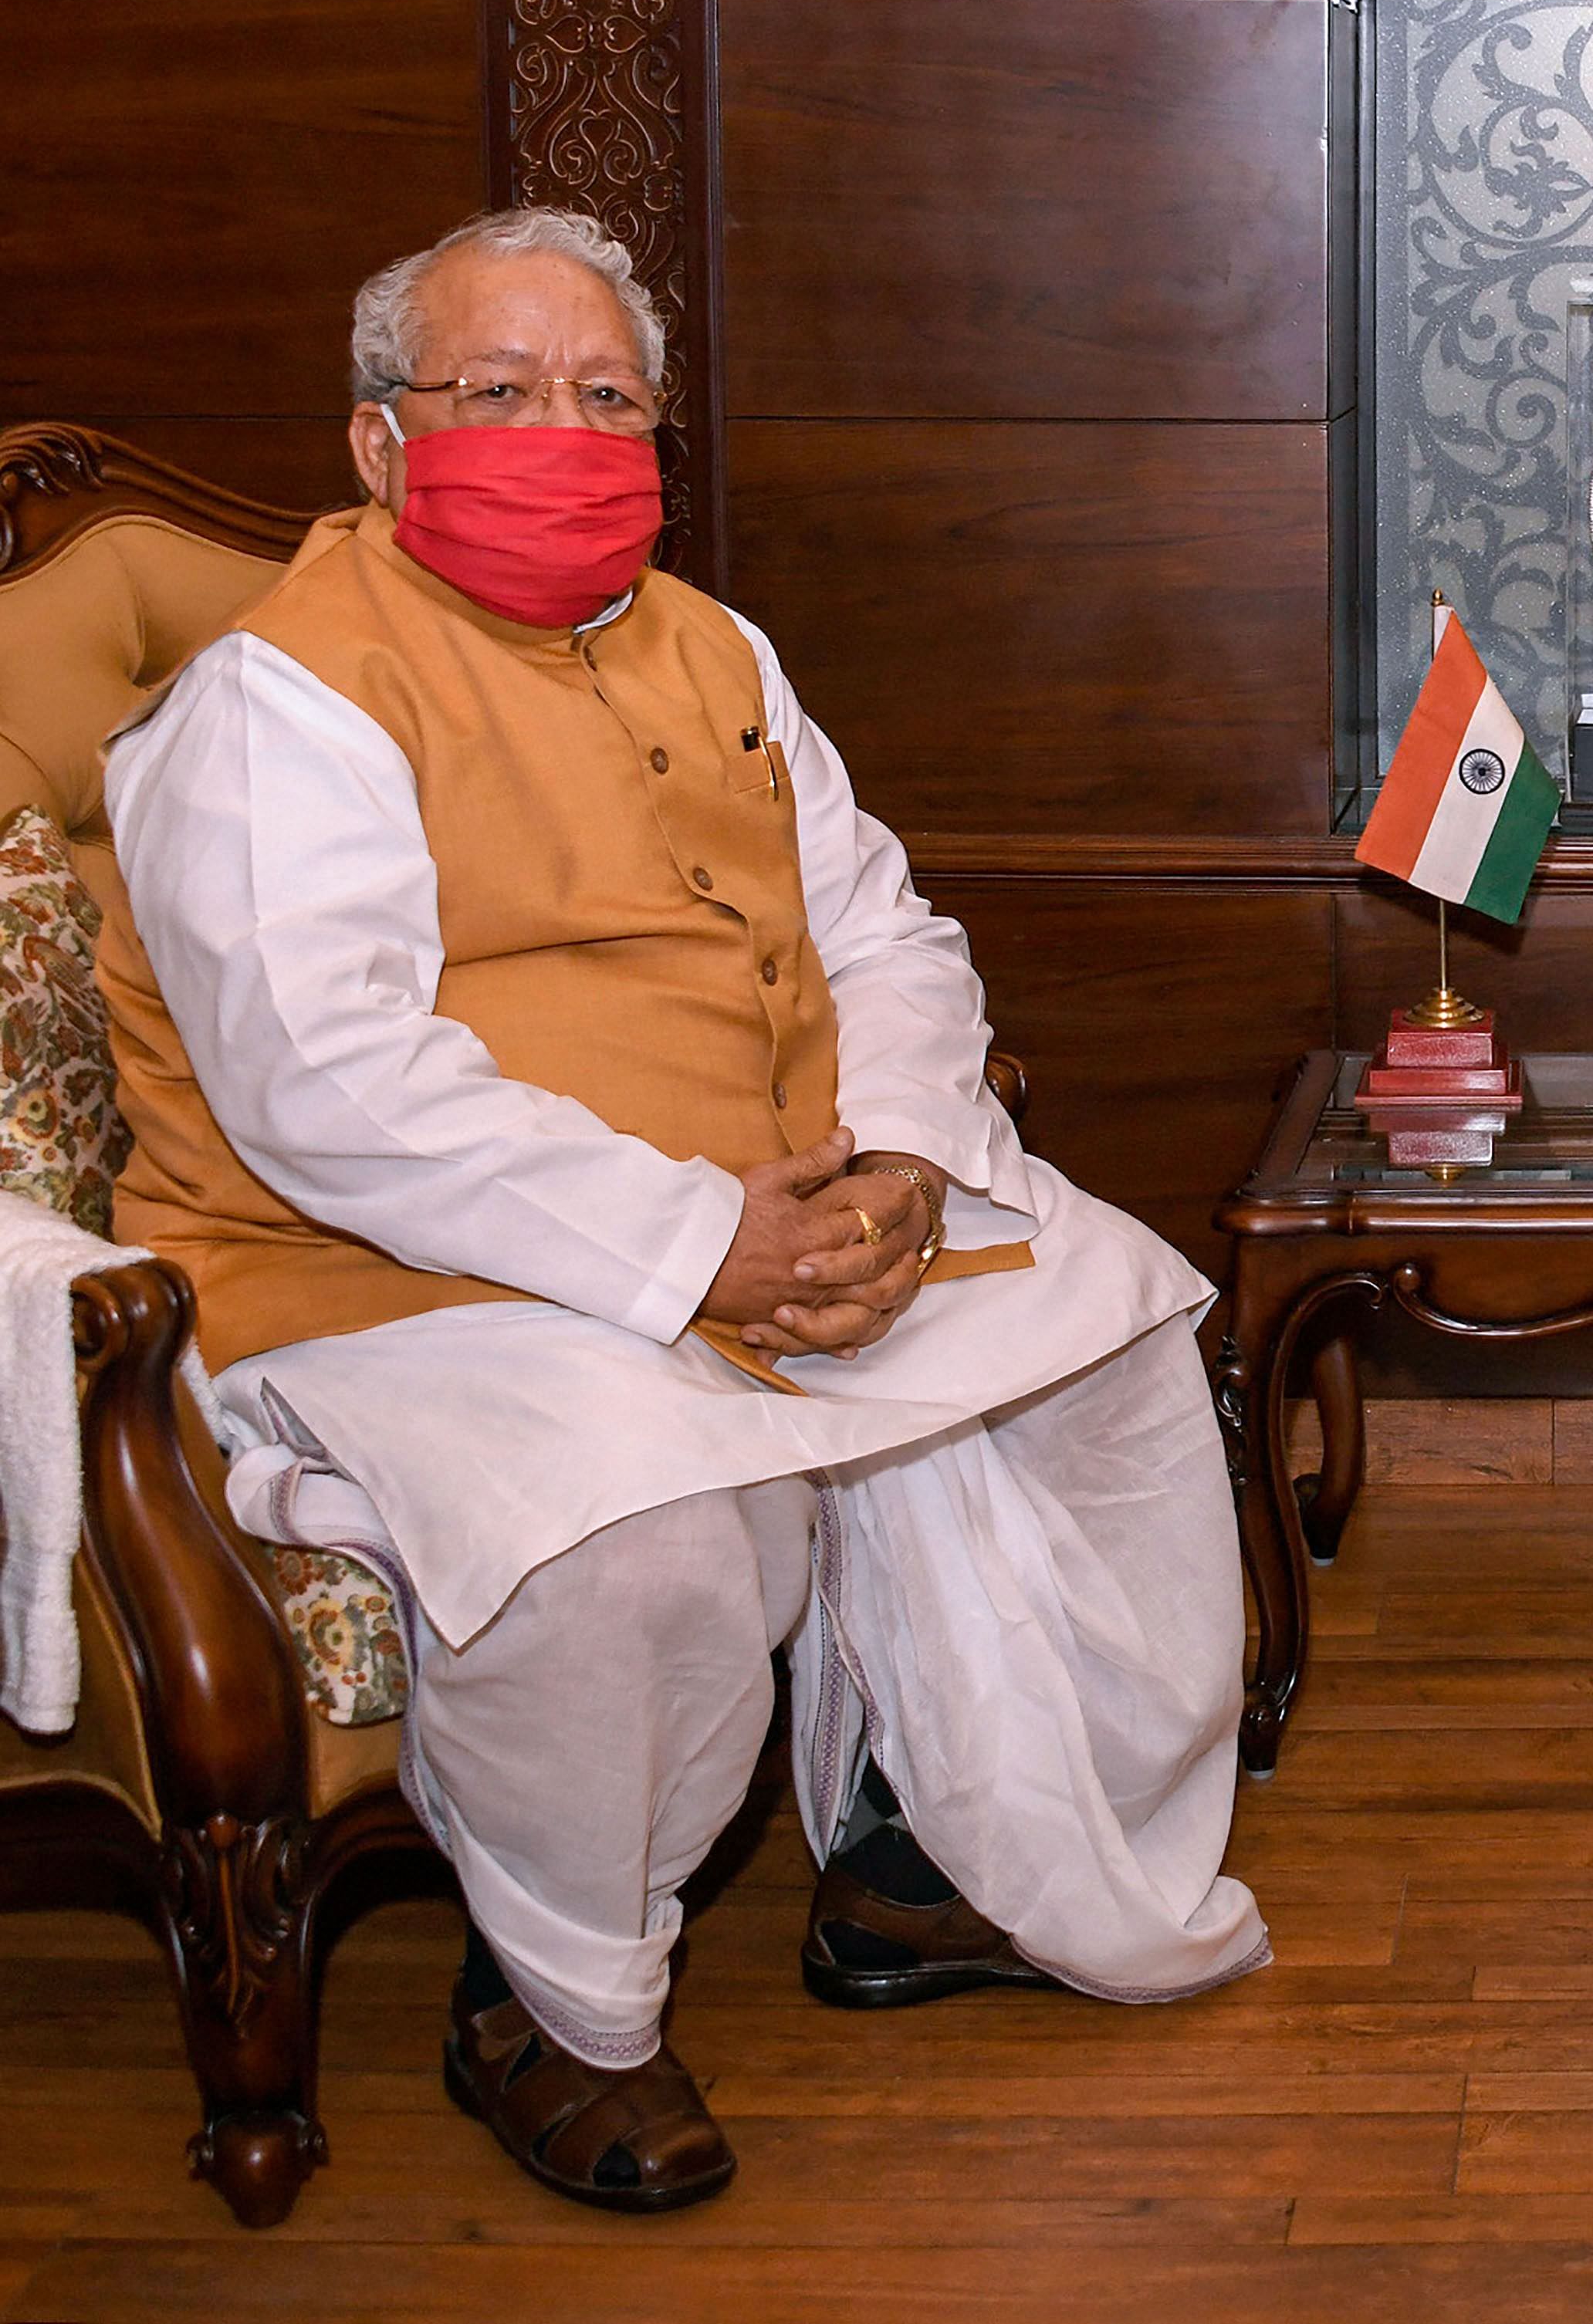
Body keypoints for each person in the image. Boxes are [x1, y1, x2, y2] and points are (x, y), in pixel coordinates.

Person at [99, 208, 1270, 2212]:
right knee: (649, 1540)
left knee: (1113, 1328)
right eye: (499, 394)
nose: (561, 432)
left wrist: (899, 1160)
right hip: (404, 1284)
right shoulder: (278, 700)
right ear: (384, 444)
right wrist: (699, 1243)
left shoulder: (711, 643)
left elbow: (886, 929)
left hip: (780, 1223)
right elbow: (328, 1086)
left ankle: (929, 1858)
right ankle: (550, 2005)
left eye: (607, 398)